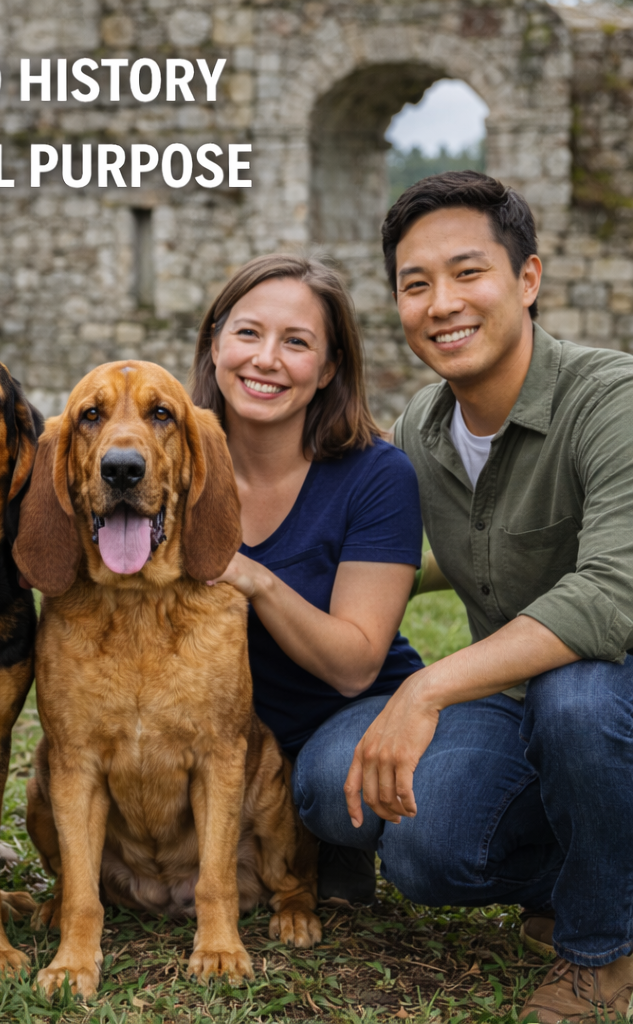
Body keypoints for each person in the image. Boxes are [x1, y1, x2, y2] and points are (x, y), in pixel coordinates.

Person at [294, 171, 633, 1024]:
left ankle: (601, 951)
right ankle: (596, 866)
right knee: (349, 791)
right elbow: (423, 560)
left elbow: (610, 596)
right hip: (526, 709)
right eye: (416, 284)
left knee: (580, 696)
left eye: (468, 272)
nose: (441, 303)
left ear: (527, 279)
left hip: (609, 698)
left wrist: (429, 685)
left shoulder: (611, 401)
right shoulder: (422, 432)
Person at [190, 253, 425, 907]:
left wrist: (255, 579)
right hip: (234, 735)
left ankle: (335, 840)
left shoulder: (377, 475)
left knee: (328, 780)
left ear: (327, 370)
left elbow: (354, 666)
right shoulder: (171, 461)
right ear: (214, 344)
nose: (266, 359)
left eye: (296, 343)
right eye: (247, 333)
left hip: (352, 712)